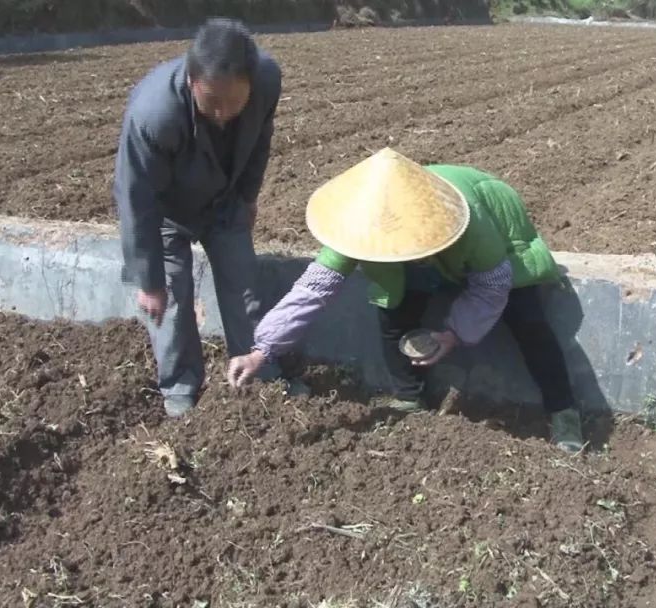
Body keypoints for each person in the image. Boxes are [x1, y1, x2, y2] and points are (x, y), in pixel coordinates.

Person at [226, 147, 586, 452]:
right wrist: (263, 350)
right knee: (393, 310)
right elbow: (315, 288)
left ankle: (563, 411)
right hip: (421, 257)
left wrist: (452, 334)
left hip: (498, 243)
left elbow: (492, 285)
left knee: (528, 319)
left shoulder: (470, 222)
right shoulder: (363, 224)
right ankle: (409, 397)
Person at [113, 18, 305, 418]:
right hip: (167, 211)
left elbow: (260, 141)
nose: (221, 114)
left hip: (225, 201)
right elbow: (136, 198)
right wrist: (148, 279)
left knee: (244, 290)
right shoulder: (155, 114)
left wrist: (249, 197)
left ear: (251, 85)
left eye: (232, 104)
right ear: (190, 80)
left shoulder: (267, 81)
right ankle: (180, 387)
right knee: (172, 303)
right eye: (211, 103)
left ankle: (257, 375)